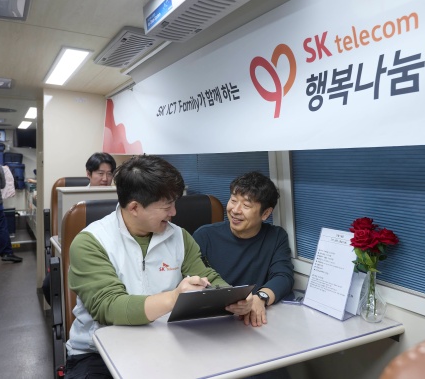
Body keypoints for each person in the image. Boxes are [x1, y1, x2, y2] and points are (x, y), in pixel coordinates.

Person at [64, 155, 252, 378]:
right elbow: (110, 307)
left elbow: (206, 276)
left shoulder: (179, 236)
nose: (174, 212)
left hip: (168, 341)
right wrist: (174, 298)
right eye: (166, 206)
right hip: (98, 353)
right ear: (134, 207)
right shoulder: (91, 242)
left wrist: (233, 297)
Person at [193, 171, 294, 328]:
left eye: (246, 205)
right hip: (211, 320)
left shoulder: (276, 237)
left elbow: (283, 276)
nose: (235, 210)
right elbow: (194, 281)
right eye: (233, 200)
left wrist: (260, 298)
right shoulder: (205, 236)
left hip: (251, 324)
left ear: (266, 213)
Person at [43, 152, 117, 304]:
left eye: (109, 174)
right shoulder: (74, 198)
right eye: (100, 173)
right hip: (80, 254)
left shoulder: (120, 197)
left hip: (111, 252)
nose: (105, 179)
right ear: (88, 174)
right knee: (48, 285)